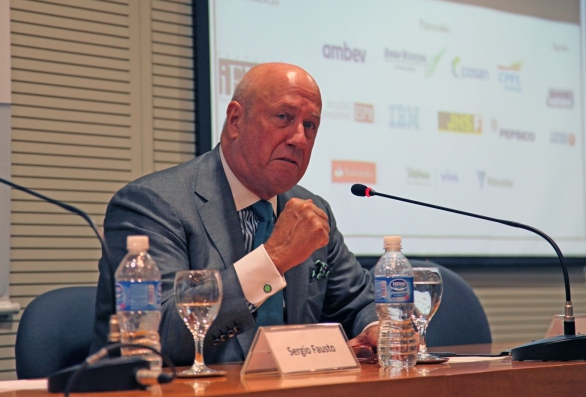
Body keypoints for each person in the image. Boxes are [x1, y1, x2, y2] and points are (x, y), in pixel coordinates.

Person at [90, 62, 378, 365]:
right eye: (284, 117)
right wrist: (272, 261)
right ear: (236, 120)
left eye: (310, 125)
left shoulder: (311, 211)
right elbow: (158, 339)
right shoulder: (151, 204)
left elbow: (361, 302)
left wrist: (376, 328)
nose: (299, 139)